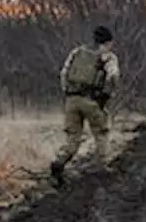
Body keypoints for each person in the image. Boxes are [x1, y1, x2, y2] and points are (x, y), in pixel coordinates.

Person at [50, 25, 119, 184]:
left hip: (72, 100)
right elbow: (113, 75)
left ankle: (59, 163)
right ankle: (103, 167)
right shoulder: (108, 57)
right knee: (101, 133)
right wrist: (106, 95)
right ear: (107, 42)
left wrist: (67, 93)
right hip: (92, 101)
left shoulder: (77, 52)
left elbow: (64, 73)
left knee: (73, 138)